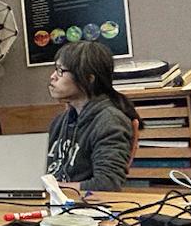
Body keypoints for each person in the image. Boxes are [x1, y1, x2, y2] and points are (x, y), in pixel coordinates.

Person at [45, 40, 139, 192]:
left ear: (89, 79)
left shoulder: (110, 121)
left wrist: (51, 188)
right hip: (57, 200)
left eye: (61, 71)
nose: (53, 76)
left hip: (86, 203)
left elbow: (107, 184)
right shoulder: (60, 121)